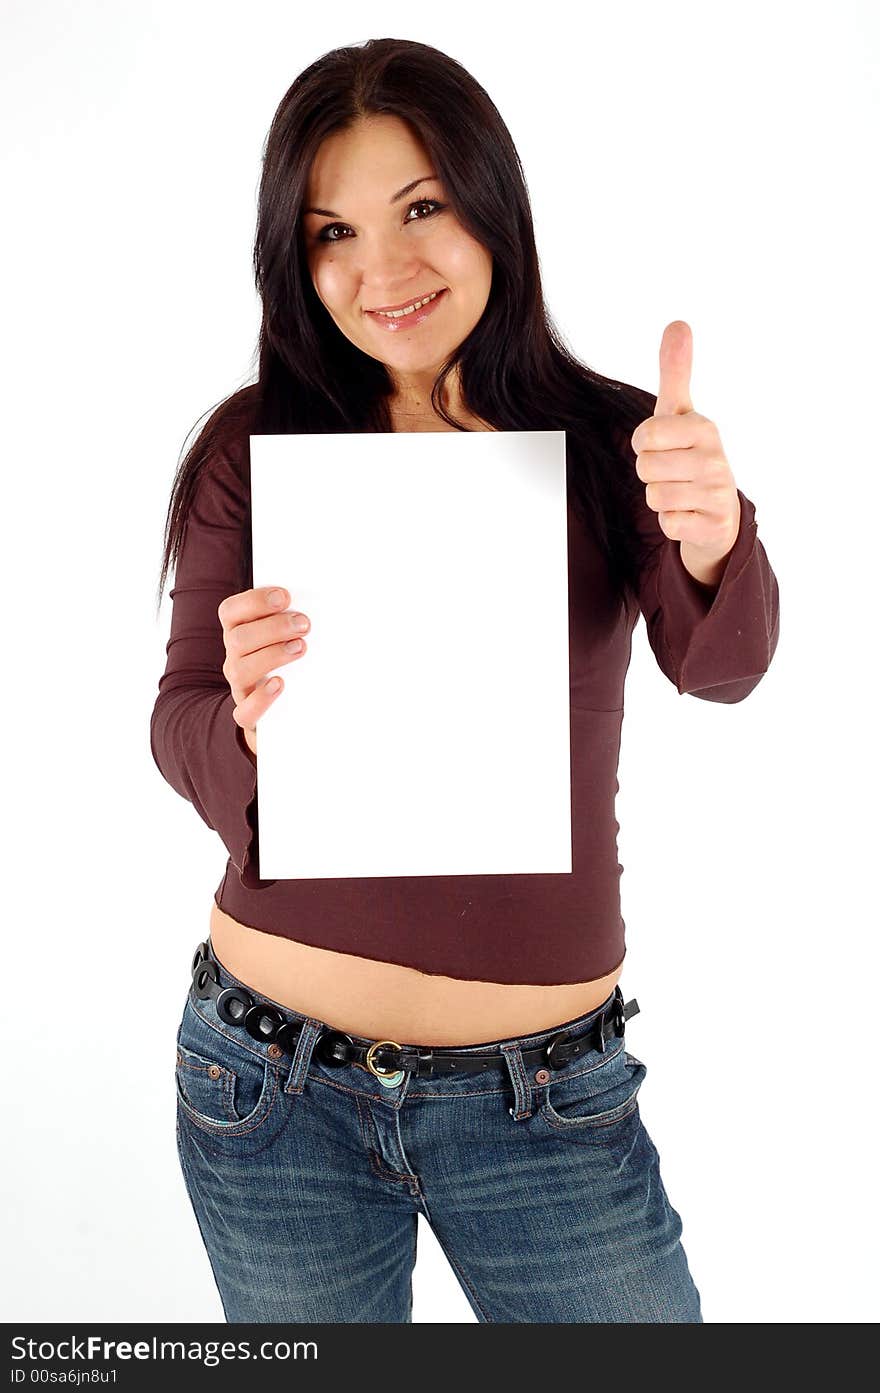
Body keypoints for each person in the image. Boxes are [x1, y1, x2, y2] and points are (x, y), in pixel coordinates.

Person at [151, 38, 779, 1325]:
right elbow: (179, 722)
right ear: (294, 253)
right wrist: (251, 729)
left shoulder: (614, 445)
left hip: (545, 1098)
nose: (381, 270)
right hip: (272, 1080)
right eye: (333, 229)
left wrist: (713, 535)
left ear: (493, 205)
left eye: (422, 208)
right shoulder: (253, 444)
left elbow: (721, 669)